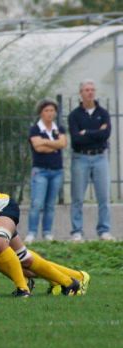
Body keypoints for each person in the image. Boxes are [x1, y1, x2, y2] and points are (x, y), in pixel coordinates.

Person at [68, 80, 114, 241]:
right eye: (87, 90)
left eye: (92, 90)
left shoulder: (103, 113)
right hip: (80, 157)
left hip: (100, 157)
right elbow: (76, 139)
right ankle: (77, 231)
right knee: (78, 197)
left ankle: (104, 230)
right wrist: (95, 132)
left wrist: (85, 132)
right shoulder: (74, 115)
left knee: (103, 197)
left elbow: (105, 135)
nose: (90, 92)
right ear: (81, 93)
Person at [24, 99, 67, 243]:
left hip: (57, 171)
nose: (50, 113)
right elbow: (38, 147)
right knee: (37, 202)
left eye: (52, 110)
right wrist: (54, 146)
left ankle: (47, 232)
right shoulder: (35, 129)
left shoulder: (59, 128)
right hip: (40, 170)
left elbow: (63, 143)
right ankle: (32, 232)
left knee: (50, 204)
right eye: (46, 111)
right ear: (41, 113)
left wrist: (46, 142)